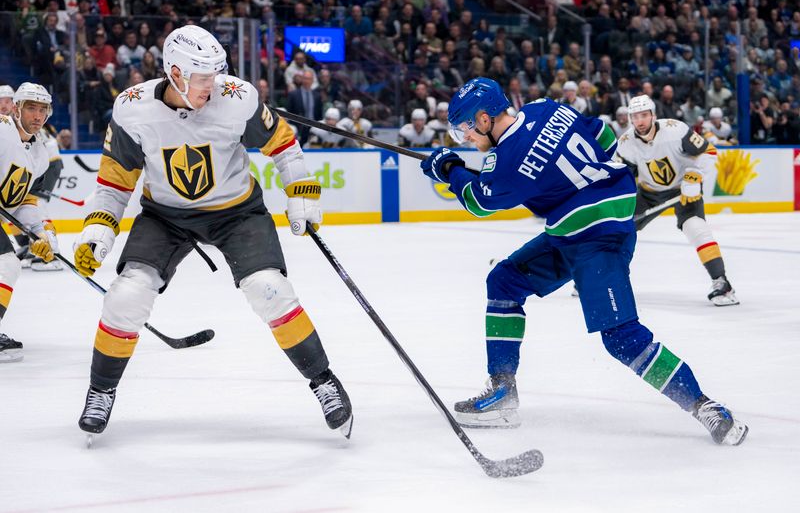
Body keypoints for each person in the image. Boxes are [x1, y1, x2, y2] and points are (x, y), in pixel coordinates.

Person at [419, 77, 748, 446]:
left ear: (483, 119)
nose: (468, 141)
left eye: (466, 132)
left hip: (597, 240)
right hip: (575, 233)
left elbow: (479, 200)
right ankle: (502, 392)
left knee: (621, 337)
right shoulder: (545, 108)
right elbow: (604, 136)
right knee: (504, 281)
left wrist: (448, 168)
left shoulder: (507, 160)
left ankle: (704, 405)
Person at [72, 25, 353, 439]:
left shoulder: (236, 98)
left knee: (269, 289)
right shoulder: (132, 109)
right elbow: (114, 181)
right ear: (176, 74)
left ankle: (324, 380)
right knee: (127, 294)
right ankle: (101, 390)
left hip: (236, 213)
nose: (213, 84)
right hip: (166, 216)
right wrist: (99, 228)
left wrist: (302, 191)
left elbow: (283, 145)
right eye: (203, 77)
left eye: (215, 73)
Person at [616, 95, 739, 306]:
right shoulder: (626, 144)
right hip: (648, 193)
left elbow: (709, 152)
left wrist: (695, 176)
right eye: (635, 117)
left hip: (684, 188)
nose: (640, 121)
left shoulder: (676, 130)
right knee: (618, 228)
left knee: (696, 228)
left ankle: (722, 283)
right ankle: (599, 279)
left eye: (644, 115)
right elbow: (622, 178)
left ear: (653, 115)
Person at [0, 83, 61, 362]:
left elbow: (22, 201)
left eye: (42, 110)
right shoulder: (1, 130)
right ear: (16, 108)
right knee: (7, 263)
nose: (37, 116)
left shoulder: (40, 155)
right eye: (31, 108)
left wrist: (40, 233)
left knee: (7, 265)